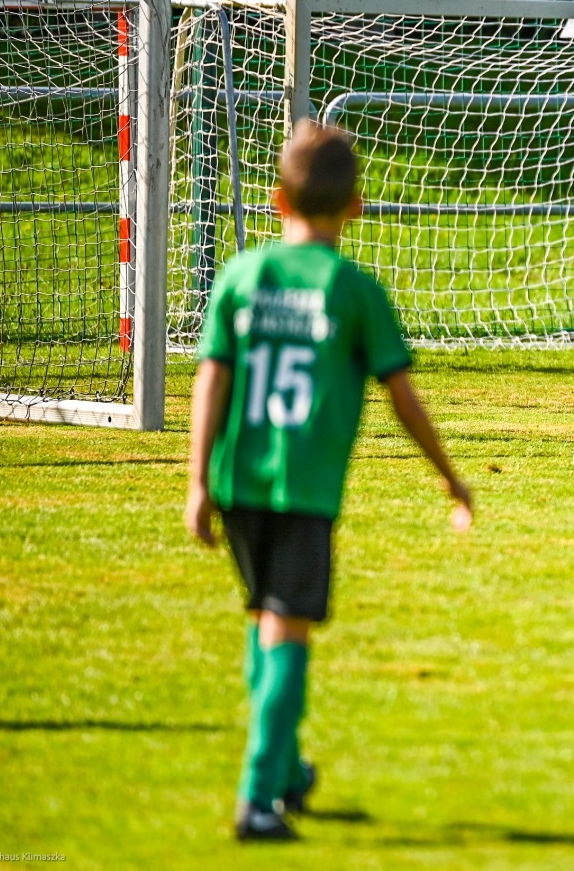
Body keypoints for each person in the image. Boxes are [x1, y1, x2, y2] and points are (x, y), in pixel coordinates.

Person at [184, 120, 473, 842]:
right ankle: (258, 797)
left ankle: (282, 768)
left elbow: (210, 380)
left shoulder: (242, 276)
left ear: (277, 198)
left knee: (263, 618)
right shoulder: (352, 290)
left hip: (236, 479)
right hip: (305, 488)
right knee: (287, 626)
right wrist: (449, 477)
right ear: (357, 207)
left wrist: (196, 482)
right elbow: (402, 397)